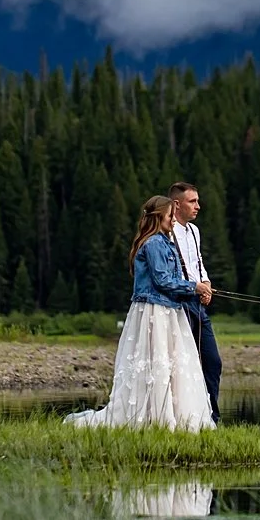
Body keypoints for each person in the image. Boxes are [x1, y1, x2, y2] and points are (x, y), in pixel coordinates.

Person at [66, 196, 214, 432]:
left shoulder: (166, 242)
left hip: (170, 310)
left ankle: (170, 416)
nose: (172, 220)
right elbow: (163, 280)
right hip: (154, 311)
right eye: (169, 216)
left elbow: (172, 280)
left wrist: (196, 291)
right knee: (156, 364)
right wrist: (194, 287)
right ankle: (156, 418)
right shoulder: (154, 243)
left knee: (171, 365)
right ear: (158, 218)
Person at [168, 182, 221, 424]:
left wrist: (206, 283)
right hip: (177, 305)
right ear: (177, 204)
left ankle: (212, 417)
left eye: (198, 201)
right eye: (193, 201)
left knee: (212, 361)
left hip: (198, 304)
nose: (198, 206)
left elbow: (197, 261)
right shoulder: (166, 231)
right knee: (182, 364)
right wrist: (193, 287)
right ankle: (185, 417)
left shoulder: (194, 231)